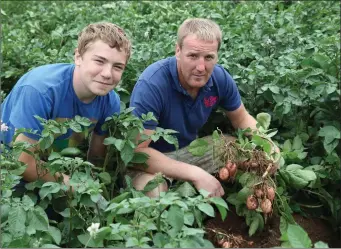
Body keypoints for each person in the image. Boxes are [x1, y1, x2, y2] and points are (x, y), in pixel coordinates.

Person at [129, 18, 280, 198]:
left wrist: (268, 145)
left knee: (245, 154)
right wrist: (195, 173)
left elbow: (241, 119)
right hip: (153, 162)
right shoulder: (152, 84)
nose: (201, 67)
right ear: (178, 50)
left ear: (217, 55)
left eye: (209, 57)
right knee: (154, 193)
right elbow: (137, 153)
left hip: (189, 151)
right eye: (193, 56)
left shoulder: (219, 78)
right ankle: (188, 186)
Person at [1, 22, 132, 189]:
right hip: (9, 166)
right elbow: (22, 163)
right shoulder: (40, 90)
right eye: (99, 61)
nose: (107, 74)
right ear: (78, 57)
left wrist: (94, 186)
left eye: (118, 67)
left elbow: (96, 160)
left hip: (55, 166)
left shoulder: (110, 100)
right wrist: (75, 186)